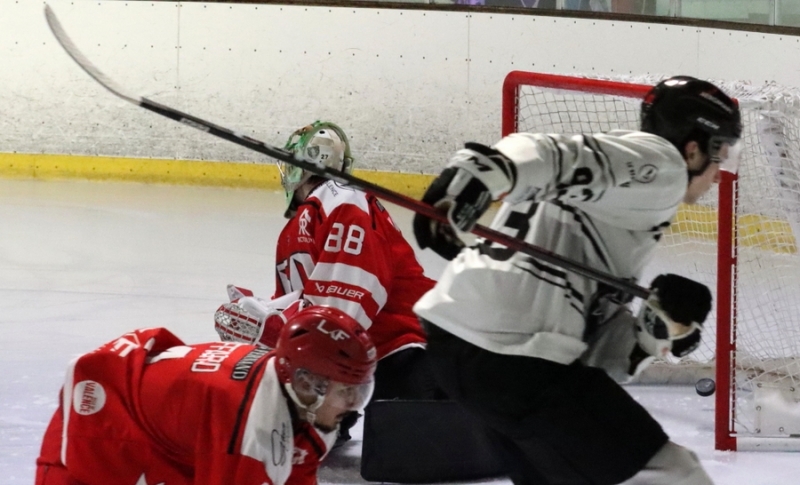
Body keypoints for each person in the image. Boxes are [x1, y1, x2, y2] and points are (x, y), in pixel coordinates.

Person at [412, 75, 742, 485]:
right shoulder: (664, 165)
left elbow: (594, 354)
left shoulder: (616, 194)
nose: (719, 172)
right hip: (513, 357)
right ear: (693, 149)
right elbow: (545, 150)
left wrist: (654, 333)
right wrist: (483, 172)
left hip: (459, 349)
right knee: (675, 476)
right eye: (720, 152)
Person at [213, 121, 441, 406]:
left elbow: (346, 307)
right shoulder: (297, 226)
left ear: (302, 165)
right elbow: (314, 304)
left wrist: (275, 327)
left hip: (410, 355)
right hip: (362, 366)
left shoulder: (343, 200)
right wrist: (262, 312)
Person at [35, 305, 377, 485]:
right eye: (346, 391)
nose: (353, 404)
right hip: (101, 431)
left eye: (360, 390)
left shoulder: (302, 403)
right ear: (306, 383)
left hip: (165, 438)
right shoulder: (251, 429)